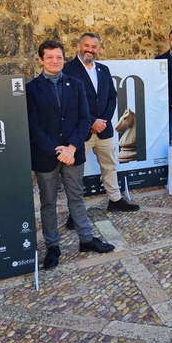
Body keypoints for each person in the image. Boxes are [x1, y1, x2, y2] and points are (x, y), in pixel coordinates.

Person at [26, 40, 115, 270]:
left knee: (77, 197)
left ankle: (86, 239)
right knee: (48, 203)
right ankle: (52, 246)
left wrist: (72, 148)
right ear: (40, 60)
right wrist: (58, 150)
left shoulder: (75, 85)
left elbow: (85, 118)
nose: (55, 61)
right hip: (47, 156)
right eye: (49, 57)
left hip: (74, 152)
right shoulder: (31, 89)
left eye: (58, 57)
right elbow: (33, 126)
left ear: (64, 58)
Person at [63, 33, 139, 222]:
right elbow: (69, 103)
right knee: (75, 173)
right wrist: (91, 122)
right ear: (78, 46)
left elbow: (112, 97)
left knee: (110, 166)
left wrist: (103, 120)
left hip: (104, 130)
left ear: (98, 48)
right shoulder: (68, 70)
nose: (90, 49)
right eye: (86, 45)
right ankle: (76, 212)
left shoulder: (103, 70)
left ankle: (114, 200)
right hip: (81, 132)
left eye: (94, 46)